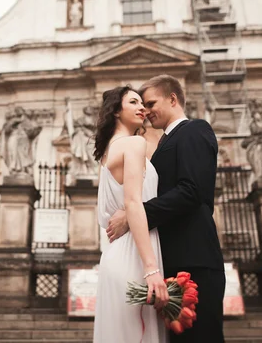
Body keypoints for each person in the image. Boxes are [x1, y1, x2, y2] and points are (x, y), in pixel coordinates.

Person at [106, 74, 225, 343]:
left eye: (150, 103)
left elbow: (191, 191)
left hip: (194, 258)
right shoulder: (160, 144)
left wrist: (135, 215)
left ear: (173, 99)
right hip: (171, 261)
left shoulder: (195, 129)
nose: (145, 112)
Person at [93, 86, 169, 343]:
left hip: (116, 256)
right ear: (116, 110)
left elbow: (113, 212)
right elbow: (134, 203)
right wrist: (151, 269)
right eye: (133, 102)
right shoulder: (135, 143)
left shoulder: (107, 153)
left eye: (143, 103)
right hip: (136, 256)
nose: (142, 108)